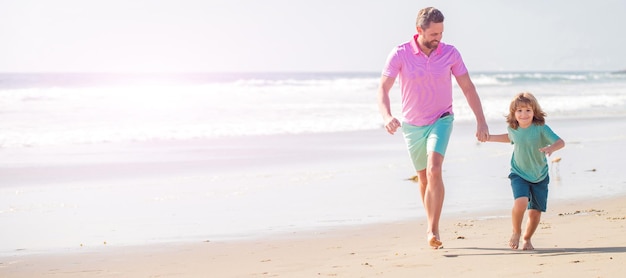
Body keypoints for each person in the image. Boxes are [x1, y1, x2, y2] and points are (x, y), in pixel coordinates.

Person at [377, 7, 489, 249]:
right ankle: (431, 223)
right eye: (434, 33)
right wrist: (387, 116)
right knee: (424, 178)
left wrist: (481, 119)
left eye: (441, 32)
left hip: (442, 118)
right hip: (412, 126)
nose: (438, 38)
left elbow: (468, 87)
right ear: (419, 30)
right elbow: (383, 89)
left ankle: (432, 229)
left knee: (434, 169)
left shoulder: (450, 53)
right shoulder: (400, 54)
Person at [486, 92, 565, 250]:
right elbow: (510, 138)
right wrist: (489, 137)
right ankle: (516, 231)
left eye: (528, 110)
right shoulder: (513, 128)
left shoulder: (541, 128)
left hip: (539, 176)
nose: (523, 114)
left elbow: (560, 142)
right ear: (513, 113)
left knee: (535, 212)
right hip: (519, 173)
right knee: (521, 202)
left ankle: (527, 239)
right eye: (519, 111)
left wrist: (551, 148)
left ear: (534, 111)